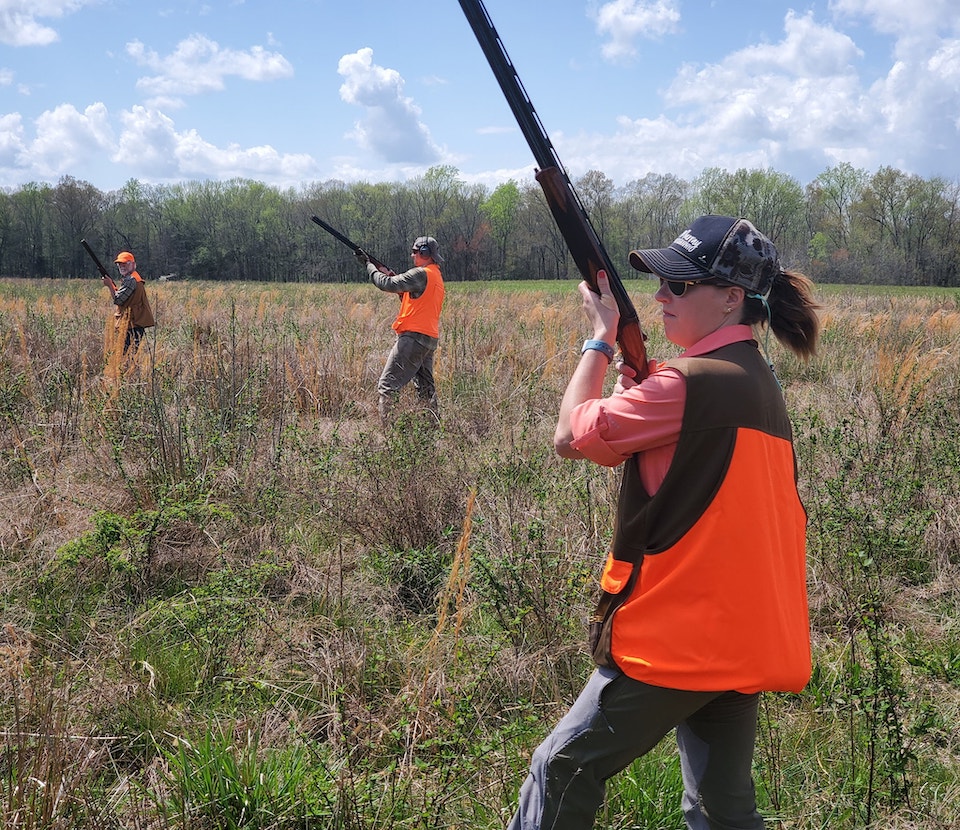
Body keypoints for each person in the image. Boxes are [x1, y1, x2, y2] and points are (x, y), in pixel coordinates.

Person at [509, 215, 821, 830]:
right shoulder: (754, 380)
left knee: (562, 768)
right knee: (720, 808)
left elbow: (570, 437)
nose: (660, 296)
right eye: (661, 283)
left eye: (679, 285)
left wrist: (599, 341)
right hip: (740, 633)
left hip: (682, 640)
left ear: (732, 298)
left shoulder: (686, 384)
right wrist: (644, 387)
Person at [357, 236, 445, 421]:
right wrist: (398, 287)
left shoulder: (420, 274)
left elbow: (386, 284)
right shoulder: (435, 275)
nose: (412, 255)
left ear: (424, 253)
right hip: (428, 341)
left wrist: (368, 265)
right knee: (425, 389)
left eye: (415, 251)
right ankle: (432, 431)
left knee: (387, 386)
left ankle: (387, 435)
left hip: (412, 339)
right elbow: (416, 301)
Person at [111, 251, 155, 354]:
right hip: (134, 323)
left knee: (125, 356)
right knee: (130, 355)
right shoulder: (134, 277)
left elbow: (118, 300)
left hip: (131, 324)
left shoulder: (131, 280)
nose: (122, 266)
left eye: (125, 263)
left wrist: (109, 285)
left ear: (133, 264)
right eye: (119, 264)